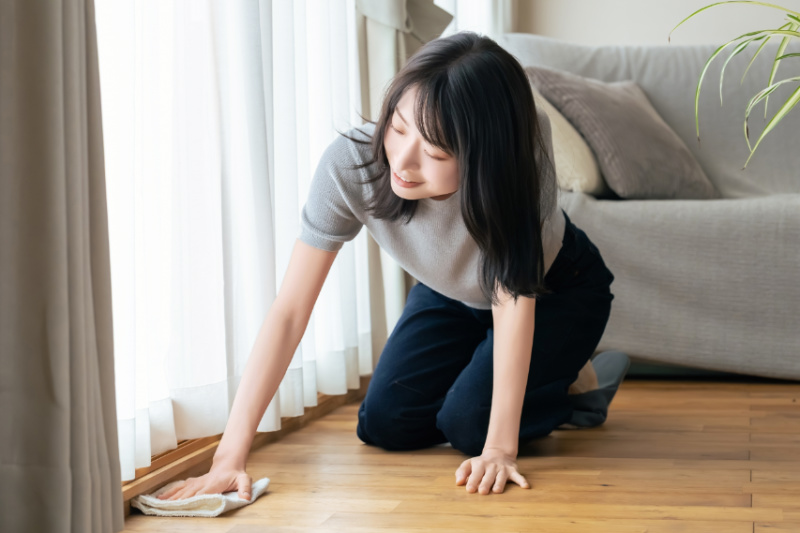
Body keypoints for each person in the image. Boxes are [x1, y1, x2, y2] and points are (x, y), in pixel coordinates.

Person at [157, 31, 630, 502]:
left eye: (436, 151)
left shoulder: (519, 165)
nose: (402, 161)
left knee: (468, 426)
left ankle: (576, 384)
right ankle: (498, 376)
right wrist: (228, 458)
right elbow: (289, 312)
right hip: (449, 289)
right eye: (399, 128)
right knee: (384, 423)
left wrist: (499, 449)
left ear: (484, 156)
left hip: (549, 289)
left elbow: (511, 300)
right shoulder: (351, 163)